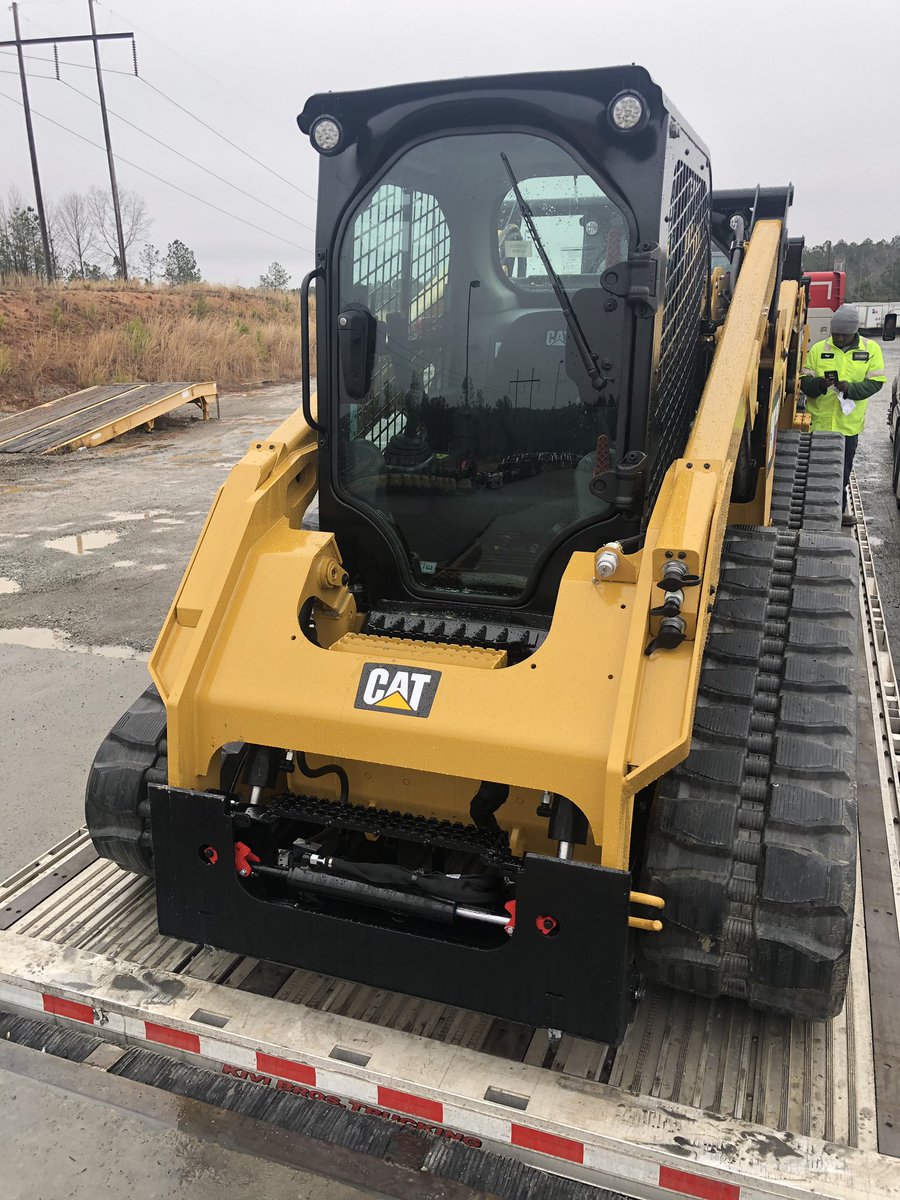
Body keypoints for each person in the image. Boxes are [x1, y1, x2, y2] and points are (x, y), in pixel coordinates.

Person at [799, 303, 886, 526]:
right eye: (835, 333)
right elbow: (804, 382)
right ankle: (812, 513)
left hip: (848, 427)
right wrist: (819, 384)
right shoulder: (819, 349)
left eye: (843, 335)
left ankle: (838, 512)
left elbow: (876, 383)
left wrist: (850, 389)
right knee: (815, 471)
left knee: (841, 473)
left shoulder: (870, 349)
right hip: (819, 423)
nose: (838, 338)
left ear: (853, 332)